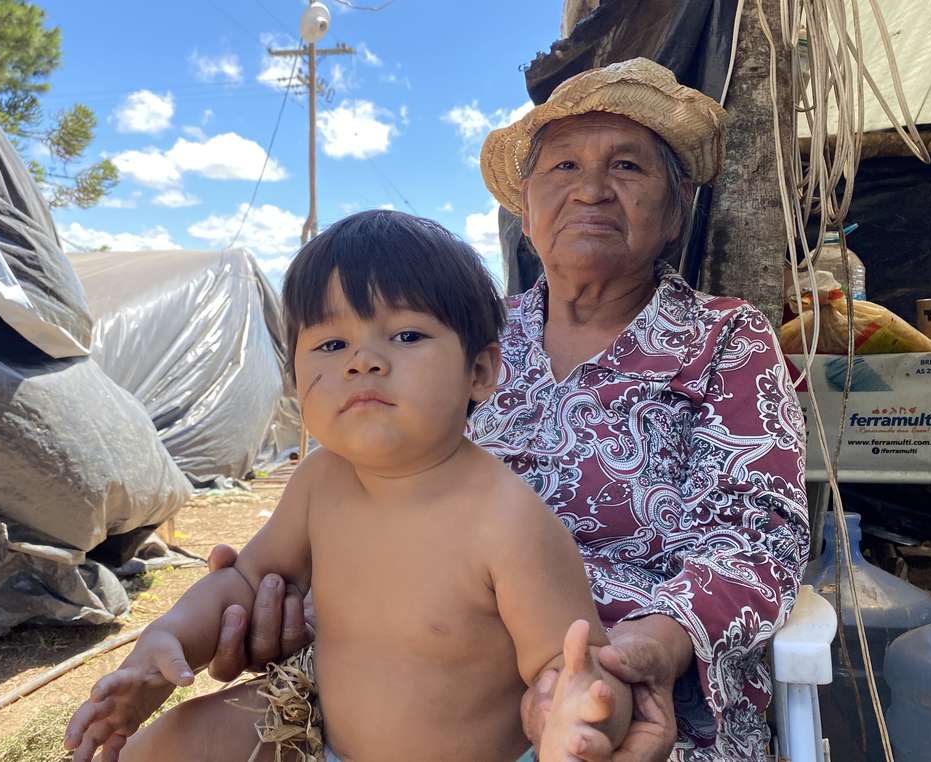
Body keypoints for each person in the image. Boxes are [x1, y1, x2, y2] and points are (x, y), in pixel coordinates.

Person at [201, 59, 809, 761]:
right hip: (410, 667)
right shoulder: (461, 334)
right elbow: (365, 478)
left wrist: (647, 648)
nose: (590, 189)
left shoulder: (725, 340)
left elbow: (761, 541)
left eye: (628, 168)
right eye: (562, 167)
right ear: (525, 213)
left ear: (674, 214)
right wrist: (294, 594)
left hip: (619, 683)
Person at [64, 210, 633, 762]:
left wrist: (579, 711)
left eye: (407, 335)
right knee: (162, 745)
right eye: (331, 345)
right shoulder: (320, 479)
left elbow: (569, 666)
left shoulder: (507, 520)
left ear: (480, 372)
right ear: (295, 377)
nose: (363, 361)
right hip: (320, 732)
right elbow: (245, 578)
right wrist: (169, 639)